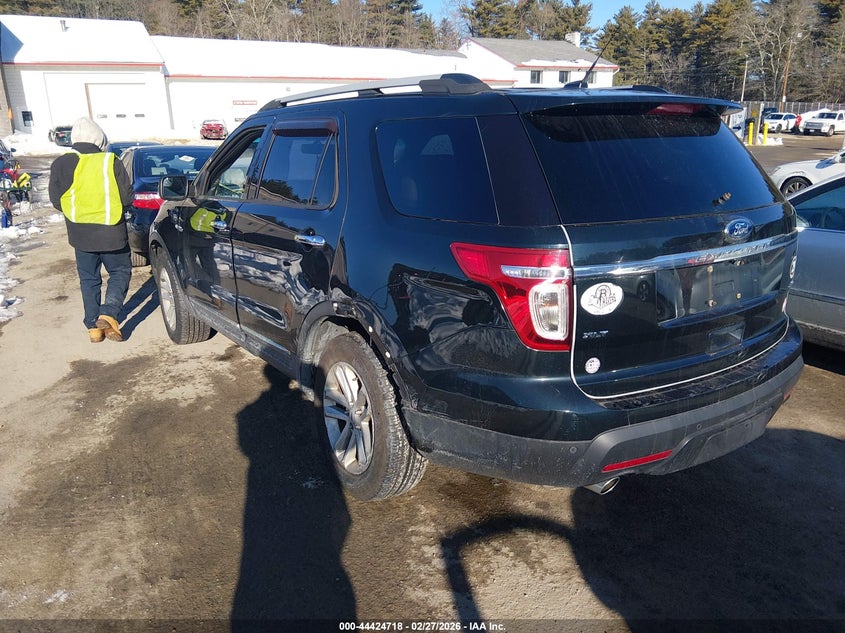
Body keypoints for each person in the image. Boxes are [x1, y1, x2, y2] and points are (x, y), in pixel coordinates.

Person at [49, 116, 134, 343]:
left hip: (80, 235)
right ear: (99, 139)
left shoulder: (60, 164)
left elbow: (56, 200)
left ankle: (93, 328)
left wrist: (79, 213)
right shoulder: (110, 161)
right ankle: (108, 313)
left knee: (89, 279)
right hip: (111, 231)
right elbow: (127, 197)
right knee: (119, 272)